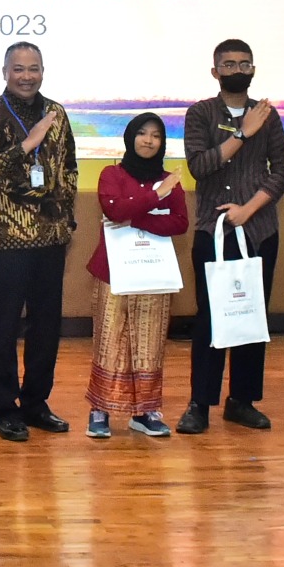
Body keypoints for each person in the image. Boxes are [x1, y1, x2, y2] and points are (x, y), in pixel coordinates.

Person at [0, 41, 78, 442]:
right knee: (3, 326)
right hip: (6, 238)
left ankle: (36, 403)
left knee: (46, 326)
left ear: (43, 72)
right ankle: (4, 408)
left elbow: (69, 168)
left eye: (34, 68)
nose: (26, 76)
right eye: (18, 69)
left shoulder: (57, 114)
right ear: (5, 72)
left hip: (51, 236)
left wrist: (64, 215)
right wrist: (26, 146)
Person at [179, 38, 284, 435]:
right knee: (210, 318)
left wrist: (249, 209)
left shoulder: (268, 115)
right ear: (216, 72)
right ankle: (200, 404)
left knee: (250, 315)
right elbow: (199, 166)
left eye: (244, 63)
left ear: (253, 69)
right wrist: (241, 134)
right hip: (213, 231)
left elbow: (282, 170)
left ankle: (242, 401)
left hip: (259, 230)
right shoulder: (200, 113)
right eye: (229, 64)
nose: (237, 70)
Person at [83, 113, 188, 438]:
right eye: (142, 133)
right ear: (130, 137)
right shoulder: (111, 174)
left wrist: (137, 219)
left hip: (154, 273)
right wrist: (156, 197)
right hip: (113, 273)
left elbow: (180, 222)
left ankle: (145, 412)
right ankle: (99, 411)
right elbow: (114, 210)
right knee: (109, 340)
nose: (148, 140)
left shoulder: (171, 180)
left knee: (150, 342)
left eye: (156, 135)